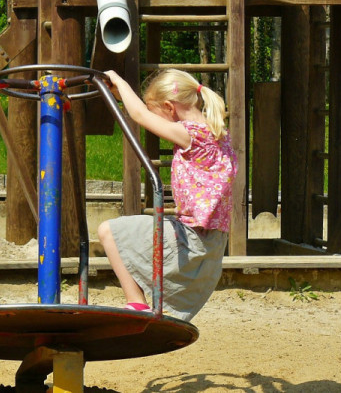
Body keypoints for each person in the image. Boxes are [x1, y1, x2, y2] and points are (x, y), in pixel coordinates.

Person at [99, 68, 237, 322]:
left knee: (108, 231)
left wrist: (119, 79)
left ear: (169, 107)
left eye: (157, 114)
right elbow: (141, 110)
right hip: (213, 241)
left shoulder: (191, 135)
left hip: (192, 238)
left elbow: (139, 114)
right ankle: (142, 304)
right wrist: (121, 94)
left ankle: (136, 304)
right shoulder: (217, 133)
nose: (156, 122)